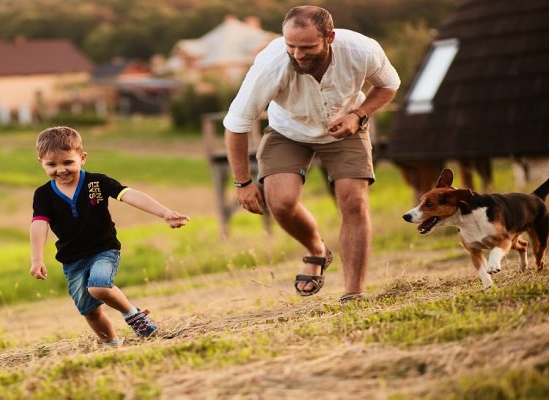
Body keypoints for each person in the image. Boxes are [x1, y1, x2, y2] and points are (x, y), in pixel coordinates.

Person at [223, 5, 400, 302]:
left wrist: (358, 114)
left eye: (307, 47)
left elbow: (389, 85)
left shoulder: (362, 50)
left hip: (346, 126)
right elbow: (236, 125)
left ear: (329, 37)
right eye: (290, 45)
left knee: (354, 201)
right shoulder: (271, 63)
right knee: (281, 202)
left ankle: (353, 293)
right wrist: (242, 182)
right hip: (288, 131)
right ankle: (317, 250)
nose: (297, 54)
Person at [30, 126, 189, 345]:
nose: (61, 170)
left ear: (82, 158)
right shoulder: (43, 195)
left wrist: (164, 213)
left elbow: (129, 194)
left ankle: (133, 315)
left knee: (99, 287)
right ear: (41, 163)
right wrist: (37, 259)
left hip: (104, 250)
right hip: (72, 260)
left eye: (68, 162)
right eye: (52, 165)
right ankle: (113, 346)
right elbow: (39, 225)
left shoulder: (96, 182)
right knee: (90, 312)